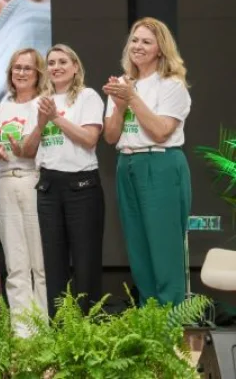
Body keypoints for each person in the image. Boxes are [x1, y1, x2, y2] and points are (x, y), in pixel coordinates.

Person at [102, 18, 192, 307]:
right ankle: (150, 318)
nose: (137, 46)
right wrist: (119, 106)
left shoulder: (171, 85)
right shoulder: (121, 83)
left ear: (160, 50)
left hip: (161, 165)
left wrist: (132, 99)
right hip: (127, 165)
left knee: (164, 249)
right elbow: (111, 136)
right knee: (138, 249)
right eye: (134, 40)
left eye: (146, 42)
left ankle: (171, 322)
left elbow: (161, 130)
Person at [21, 44, 104, 317]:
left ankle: (89, 330)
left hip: (81, 187)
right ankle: (59, 331)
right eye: (51, 62)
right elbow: (29, 149)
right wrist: (43, 122)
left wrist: (55, 117)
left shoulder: (87, 97)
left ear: (75, 66)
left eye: (62, 61)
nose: (55, 67)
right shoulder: (38, 103)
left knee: (85, 262)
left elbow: (90, 139)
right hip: (48, 187)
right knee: (54, 265)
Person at [0, 48, 48, 336]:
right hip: (5, 182)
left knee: (40, 263)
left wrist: (24, 148)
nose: (20, 73)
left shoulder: (44, 105)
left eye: (27, 68)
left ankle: (43, 330)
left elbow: (35, 149)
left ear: (38, 74)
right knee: (15, 262)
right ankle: (22, 333)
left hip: (34, 181)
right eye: (16, 68)